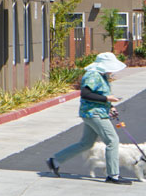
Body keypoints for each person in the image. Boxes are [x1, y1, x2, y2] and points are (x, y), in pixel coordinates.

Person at [47, 51, 130, 183]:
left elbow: (99, 94)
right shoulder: (93, 75)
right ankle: (113, 175)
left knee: (86, 143)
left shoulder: (101, 75)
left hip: (94, 112)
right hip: (94, 113)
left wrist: (110, 106)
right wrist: (107, 98)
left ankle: (55, 161)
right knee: (112, 141)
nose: (111, 70)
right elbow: (85, 94)